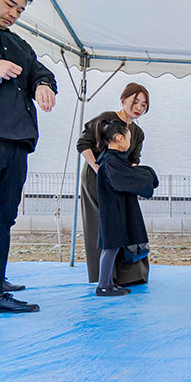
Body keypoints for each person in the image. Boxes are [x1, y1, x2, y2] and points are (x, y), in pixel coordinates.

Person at [0, 0, 57, 313]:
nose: (14, 14)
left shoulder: (19, 45)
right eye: (9, 4)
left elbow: (40, 71)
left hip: (17, 141)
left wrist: (43, 85)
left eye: (19, 10)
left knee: (4, 217)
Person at [76, 83, 150, 286]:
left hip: (120, 181)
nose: (139, 107)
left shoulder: (138, 132)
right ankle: (106, 279)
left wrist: (129, 178)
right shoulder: (107, 118)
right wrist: (98, 168)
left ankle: (129, 275)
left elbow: (134, 158)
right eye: (135, 101)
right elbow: (83, 144)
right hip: (96, 177)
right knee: (104, 226)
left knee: (126, 222)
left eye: (144, 104)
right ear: (123, 99)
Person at [93, 119, 158, 296]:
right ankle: (103, 286)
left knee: (112, 247)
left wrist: (146, 174)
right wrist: (149, 176)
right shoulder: (111, 162)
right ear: (119, 138)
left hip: (115, 211)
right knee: (110, 248)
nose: (130, 142)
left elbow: (130, 174)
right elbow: (127, 179)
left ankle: (107, 283)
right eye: (128, 138)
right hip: (113, 212)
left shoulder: (112, 159)